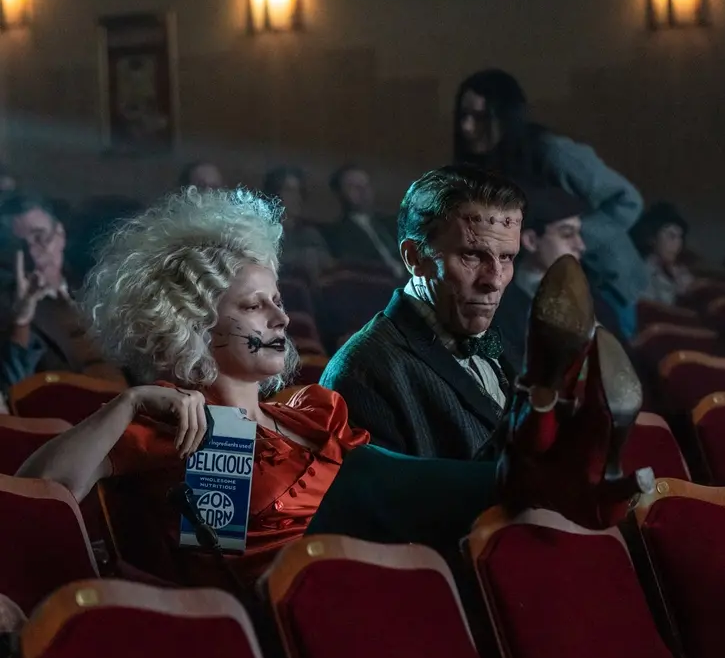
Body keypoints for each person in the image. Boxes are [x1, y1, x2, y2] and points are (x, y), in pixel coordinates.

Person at [16, 186, 649, 588]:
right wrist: (126, 402)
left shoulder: (308, 410)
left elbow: (407, 494)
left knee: (383, 473)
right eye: (255, 307)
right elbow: (37, 492)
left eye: (279, 300)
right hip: (270, 591)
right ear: (194, 324)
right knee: (341, 468)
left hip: (367, 576)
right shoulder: (167, 426)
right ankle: (546, 433)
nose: (282, 319)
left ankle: (541, 440)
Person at [321, 165, 522, 458]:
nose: (494, 279)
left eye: (506, 257)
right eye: (471, 254)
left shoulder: (507, 350)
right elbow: (382, 501)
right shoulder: (363, 370)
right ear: (414, 257)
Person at [453, 69, 647, 338]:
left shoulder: (552, 151)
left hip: (606, 283)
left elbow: (627, 201)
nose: (467, 127)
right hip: (541, 285)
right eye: (463, 116)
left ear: (506, 117)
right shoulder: (481, 168)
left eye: (480, 117)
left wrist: (565, 239)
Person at [0, 193, 123, 391]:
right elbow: (14, 387)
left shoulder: (95, 284)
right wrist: (21, 320)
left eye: (40, 237)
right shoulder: (10, 305)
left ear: (60, 235)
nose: (32, 251)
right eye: (21, 245)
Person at [493, 184, 626, 365]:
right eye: (566, 234)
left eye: (578, 233)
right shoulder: (498, 306)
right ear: (531, 241)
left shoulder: (592, 296)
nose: (580, 245)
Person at [320, 164, 406, 280]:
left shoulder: (393, 223)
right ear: (340, 194)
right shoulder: (335, 234)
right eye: (353, 186)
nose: (362, 190)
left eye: (366, 185)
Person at [261, 165, 333, 279]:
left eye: (299, 191)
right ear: (274, 195)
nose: (296, 197)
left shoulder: (310, 233)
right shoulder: (262, 233)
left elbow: (329, 265)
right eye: (289, 191)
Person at [632, 202, 695, 306]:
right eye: (671, 236)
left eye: (680, 237)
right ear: (652, 238)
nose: (678, 244)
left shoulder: (679, 271)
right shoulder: (641, 272)